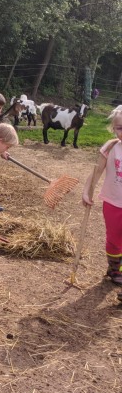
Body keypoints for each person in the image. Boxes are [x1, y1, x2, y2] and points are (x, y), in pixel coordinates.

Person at [82, 108, 122, 283]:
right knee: (114, 238)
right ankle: (114, 269)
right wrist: (86, 191)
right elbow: (97, 171)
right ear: (113, 128)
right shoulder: (111, 147)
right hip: (113, 202)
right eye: (120, 128)